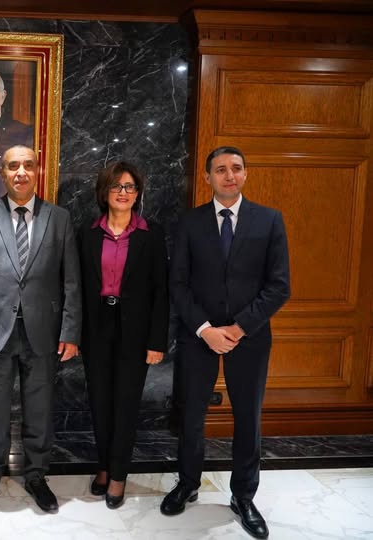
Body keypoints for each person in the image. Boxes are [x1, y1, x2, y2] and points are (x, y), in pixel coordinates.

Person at [161, 146, 290, 539]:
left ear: (246, 174)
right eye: (220, 169)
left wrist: (238, 328)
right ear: (208, 177)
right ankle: (187, 483)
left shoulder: (269, 220)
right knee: (191, 415)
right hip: (198, 335)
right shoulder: (190, 222)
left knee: (248, 417)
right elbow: (178, 283)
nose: (229, 175)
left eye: (236, 168)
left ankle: (244, 496)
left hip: (249, 337)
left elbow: (279, 286)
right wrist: (205, 329)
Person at [0, 145, 81, 513]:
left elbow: (71, 281)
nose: (21, 172)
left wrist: (70, 332)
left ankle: (37, 475)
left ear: (38, 170)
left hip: (45, 330)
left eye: (28, 165)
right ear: (3, 173)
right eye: (13, 166)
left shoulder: (59, 218)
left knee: (40, 408)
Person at [77, 161, 169, 509]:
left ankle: (118, 475)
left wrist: (156, 341)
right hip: (96, 328)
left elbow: (161, 291)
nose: (123, 192)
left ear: (138, 192)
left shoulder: (151, 233)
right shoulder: (87, 232)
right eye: (116, 186)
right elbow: (77, 287)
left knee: (126, 405)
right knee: (100, 403)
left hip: (136, 331)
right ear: (104, 192)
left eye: (130, 187)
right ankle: (103, 466)